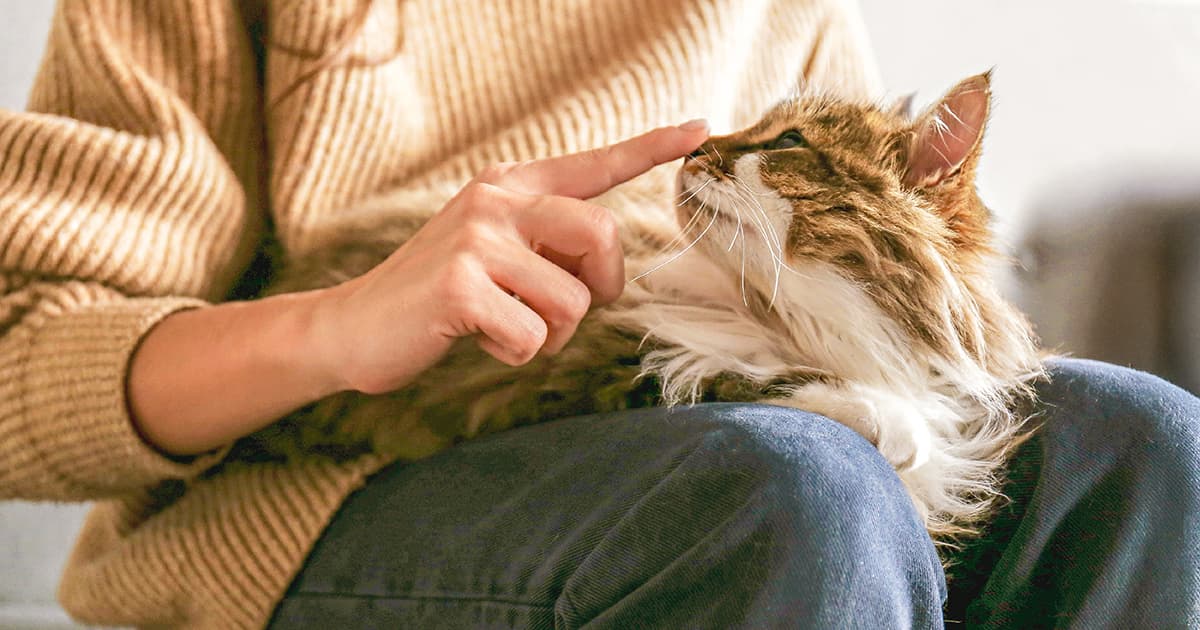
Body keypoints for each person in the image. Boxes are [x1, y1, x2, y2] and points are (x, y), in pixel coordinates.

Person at [0, 0, 1196, 627]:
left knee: (1148, 446)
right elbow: (22, 365)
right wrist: (338, 329)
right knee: (799, 494)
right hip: (335, 490)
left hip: (697, 417)